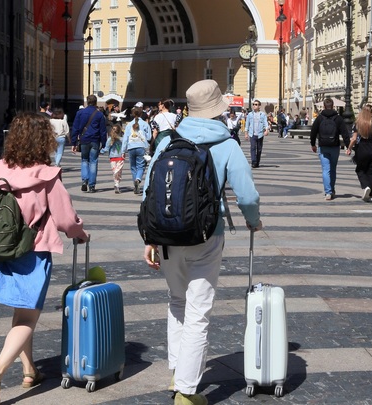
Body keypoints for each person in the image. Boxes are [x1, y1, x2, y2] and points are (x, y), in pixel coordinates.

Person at [142, 79, 261, 405]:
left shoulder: (169, 140)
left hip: (165, 235)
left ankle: (177, 372)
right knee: (198, 311)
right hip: (206, 236)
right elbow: (247, 195)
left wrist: (150, 238)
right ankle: (188, 391)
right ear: (218, 110)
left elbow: (148, 191)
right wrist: (253, 220)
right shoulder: (227, 144)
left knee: (177, 301)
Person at [0, 112, 89, 405]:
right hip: (31, 254)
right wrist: (80, 233)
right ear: (44, 140)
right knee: (27, 317)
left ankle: (29, 370)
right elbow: (65, 217)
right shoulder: (46, 175)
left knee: (21, 311)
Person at [310, 98, 350, 200]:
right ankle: (332, 189)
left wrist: (313, 144)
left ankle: (328, 192)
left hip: (323, 146)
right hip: (334, 146)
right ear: (333, 106)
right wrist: (348, 146)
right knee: (333, 169)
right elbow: (345, 133)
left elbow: (313, 131)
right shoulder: (338, 118)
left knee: (325, 170)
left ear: (324, 106)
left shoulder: (319, 118)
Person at [71, 95, 107, 193]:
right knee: (93, 161)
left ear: (87, 102)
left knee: (84, 160)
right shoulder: (99, 115)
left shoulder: (80, 113)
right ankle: (92, 185)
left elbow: (75, 128)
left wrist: (73, 142)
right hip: (95, 140)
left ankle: (84, 180)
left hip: (84, 139)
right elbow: (103, 131)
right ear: (96, 102)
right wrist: (104, 143)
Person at [346, 104, 372, 202]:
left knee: (360, 170)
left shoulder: (358, 123)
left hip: (361, 149)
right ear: (370, 113)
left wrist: (349, 148)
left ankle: (366, 186)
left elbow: (353, 139)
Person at [121, 106, 152, 195]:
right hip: (141, 147)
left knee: (133, 167)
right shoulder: (145, 124)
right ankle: (138, 179)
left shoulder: (128, 125)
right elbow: (149, 137)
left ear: (132, 114)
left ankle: (135, 182)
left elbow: (125, 139)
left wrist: (123, 151)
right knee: (141, 166)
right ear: (141, 114)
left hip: (131, 147)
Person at [101, 124, 125, 193]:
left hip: (115, 158)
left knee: (116, 171)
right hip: (119, 157)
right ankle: (116, 184)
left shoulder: (119, 139)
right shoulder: (113, 139)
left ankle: (116, 184)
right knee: (118, 172)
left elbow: (106, 148)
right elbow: (107, 148)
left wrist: (101, 151)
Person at [244, 100, 268, 168]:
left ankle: (257, 162)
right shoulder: (250, 114)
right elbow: (247, 124)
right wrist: (246, 133)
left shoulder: (262, 114)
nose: (254, 106)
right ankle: (253, 162)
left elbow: (265, 123)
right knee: (253, 147)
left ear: (259, 106)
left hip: (260, 134)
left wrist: (266, 130)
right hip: (252, 134)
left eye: (256, 104)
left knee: (259, 149)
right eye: (254, 104)